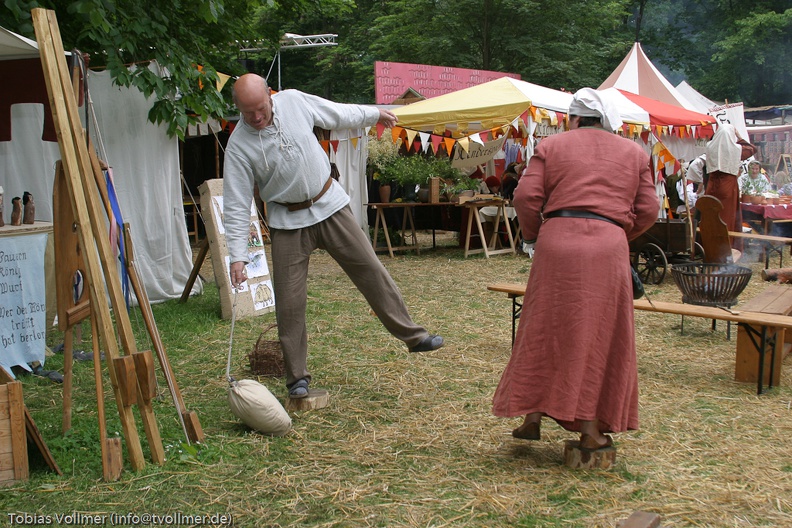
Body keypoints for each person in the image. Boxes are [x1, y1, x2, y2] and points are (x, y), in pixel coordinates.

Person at [223, 74, 444, 398]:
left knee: (371, 270)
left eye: (260, 109)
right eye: (247, 113)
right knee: (290, 303)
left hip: (330, 205)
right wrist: (238, 256)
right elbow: (236, 202)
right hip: (287, 222)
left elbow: (337, 113)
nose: (256, 118)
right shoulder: (239, 146)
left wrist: (374, 113)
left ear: (270, 97)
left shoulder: (295, 102)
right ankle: (297, 379)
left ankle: (414, 336)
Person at [492, 87, 659, 452]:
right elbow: (649, 209)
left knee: (542, 326)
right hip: (607, 247)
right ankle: (590, 430)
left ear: (574, 119)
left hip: (556, 243)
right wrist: (616, 231)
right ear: (606, 121)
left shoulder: (552, 146)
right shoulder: (635, 152)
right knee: (597, 336)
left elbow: (525, 197)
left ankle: (531, 417)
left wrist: (538, 235)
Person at [705, 123, 756, 249]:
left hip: (711, 185)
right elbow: (751, 149)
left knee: (712, 218)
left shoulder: (709, 146)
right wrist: (739, 136)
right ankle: (725, 249)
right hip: (727, 185)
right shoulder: (735, 149)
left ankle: (710, 247)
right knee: (727, 218)